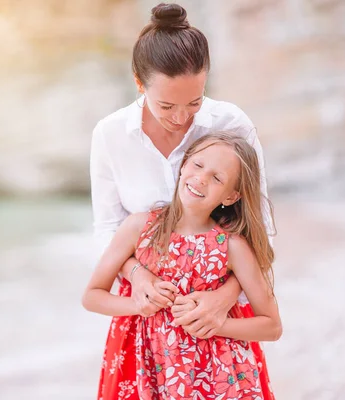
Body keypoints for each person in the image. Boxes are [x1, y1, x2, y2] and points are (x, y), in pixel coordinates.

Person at [89, 3, 276, 399]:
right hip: (143, 320)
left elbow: (259, 227)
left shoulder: (231, 125)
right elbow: (108, 228)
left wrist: (223, 299)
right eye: (167, 106)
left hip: (217, 321)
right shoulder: (110, 135)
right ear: (140, 84)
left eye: (195, 101)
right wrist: (138, 276)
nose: (182, 118)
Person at [84, 132, 282, 399]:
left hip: (216, 376)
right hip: (146, 366)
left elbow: (272, 326)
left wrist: (217, 325)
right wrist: (138, 305)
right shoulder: (139, 227)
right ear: (184, 165)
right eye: (198, 165)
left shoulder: (232, 246)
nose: (201, 178)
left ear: (232, 196)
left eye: (217, 178)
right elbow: (92, 297)